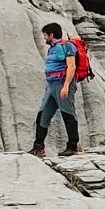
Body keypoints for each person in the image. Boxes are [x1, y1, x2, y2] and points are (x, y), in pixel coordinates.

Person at [29, 22, 79, 157]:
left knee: (68, 114)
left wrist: (66, 86)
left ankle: (72, 146)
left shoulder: (67, 46)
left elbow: (72, 66)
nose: (44, 38)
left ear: (51, 35)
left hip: (62, 83)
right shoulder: (52, 48)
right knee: (43, 114)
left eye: (45, 35)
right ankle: (38, 147)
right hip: (51, 85)